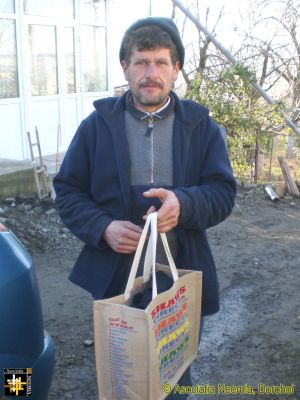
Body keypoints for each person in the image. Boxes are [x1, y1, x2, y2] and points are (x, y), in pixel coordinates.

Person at [53, 16, 236, 398]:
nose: (151, 73)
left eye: (161, 63)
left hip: (181, 270)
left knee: (174, 374)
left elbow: (222, 193)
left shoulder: (201, 126)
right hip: (114, 273)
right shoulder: (97, 127)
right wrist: (102, 227)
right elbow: (67, 190)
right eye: (141, 62)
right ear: (125, 67)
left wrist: (183, 205)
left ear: (176, 69)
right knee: (123, 373)